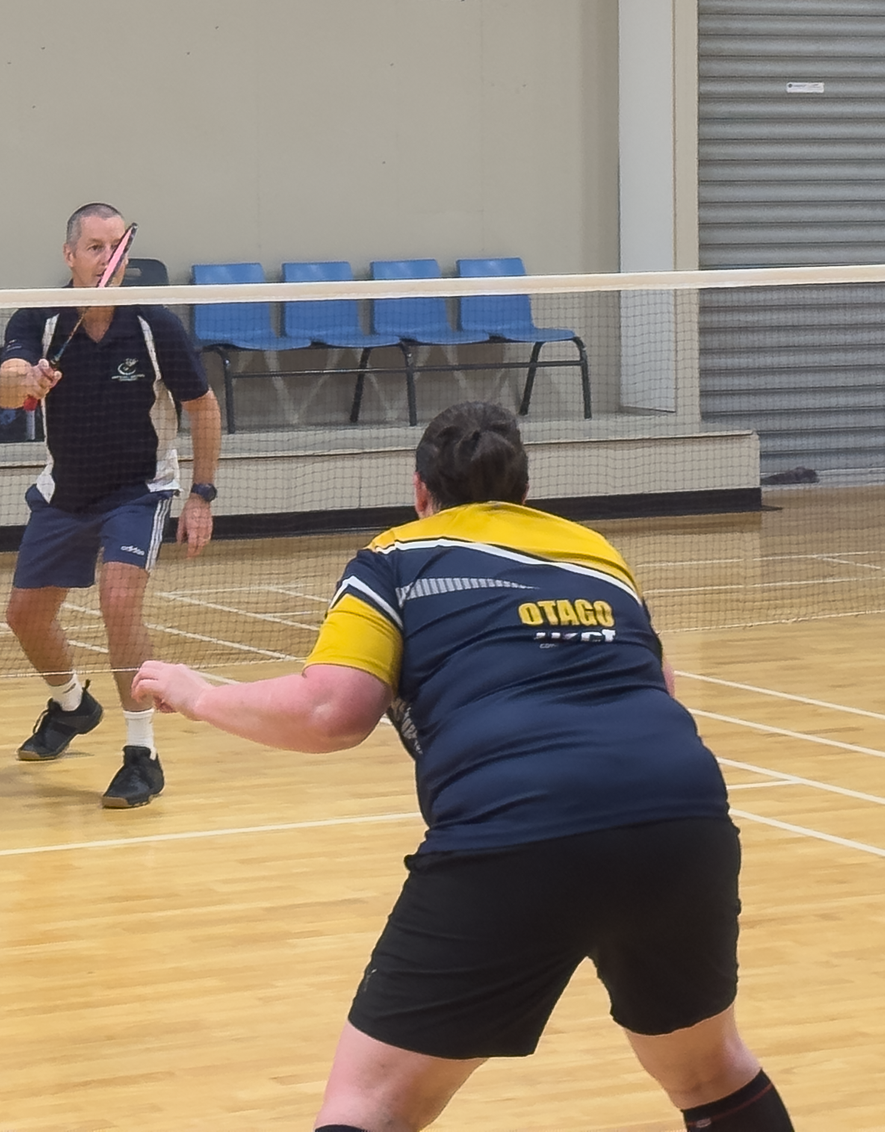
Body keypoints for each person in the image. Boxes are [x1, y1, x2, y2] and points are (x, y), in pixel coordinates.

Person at [135, 402, 793, 1132]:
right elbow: (660, 684)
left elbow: (331, 711)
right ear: (523, 492)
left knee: (369, 1105)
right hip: (684, 818)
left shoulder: (393, 559)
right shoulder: (594, 551)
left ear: (421, 491)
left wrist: (200, 696)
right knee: (709, 1072)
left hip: (517, 827)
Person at [0, 203, 221, 809]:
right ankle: (72, 706)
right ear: (69, 255)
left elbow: (203, 407)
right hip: (66, 490)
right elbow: (5, 385)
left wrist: (201, 495)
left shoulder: (154, 326)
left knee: (119, 601)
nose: (107, 259)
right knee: (24, 617)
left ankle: (142, 755)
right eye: (95, 248)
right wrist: (25, 382)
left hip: (138, 490)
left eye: (116, 248)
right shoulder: (38, 320)